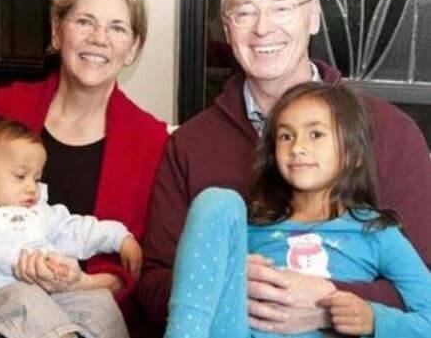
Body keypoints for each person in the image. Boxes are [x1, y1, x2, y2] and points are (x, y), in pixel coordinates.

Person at [139, 0, 431, 335]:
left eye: (281, 7)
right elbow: (153, 284)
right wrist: (220, 283)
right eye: (244, 12)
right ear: (227, 30)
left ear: (312, 17)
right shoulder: (191, 145)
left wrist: (329, 301)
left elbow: (424, 286)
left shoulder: (389, 130)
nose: (262, 28)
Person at [0, 0, 168, 337]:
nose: (99, 38)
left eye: (116, 28)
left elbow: (145, 266)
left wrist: (80, 284)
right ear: (57, 30)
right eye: (84, 21)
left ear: (132, 48)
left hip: (90, 314)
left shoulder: (151, 141)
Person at [164, 83, 431, 338]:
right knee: (217, 201)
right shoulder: (251, 227)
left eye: (316, 134)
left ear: (353, 153)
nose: (298, 148)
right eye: (286, 136)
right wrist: (227, 273)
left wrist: (374, 319)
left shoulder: (375, 232)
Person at [0, 118, 142, 338]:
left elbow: (70, 229)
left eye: (37, 178)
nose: (32, 187)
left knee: (97, 299)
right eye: (20, 176)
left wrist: (118, 237)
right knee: (24, 298)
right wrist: (28, 262)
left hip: (41, 299)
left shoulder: (37, 211)